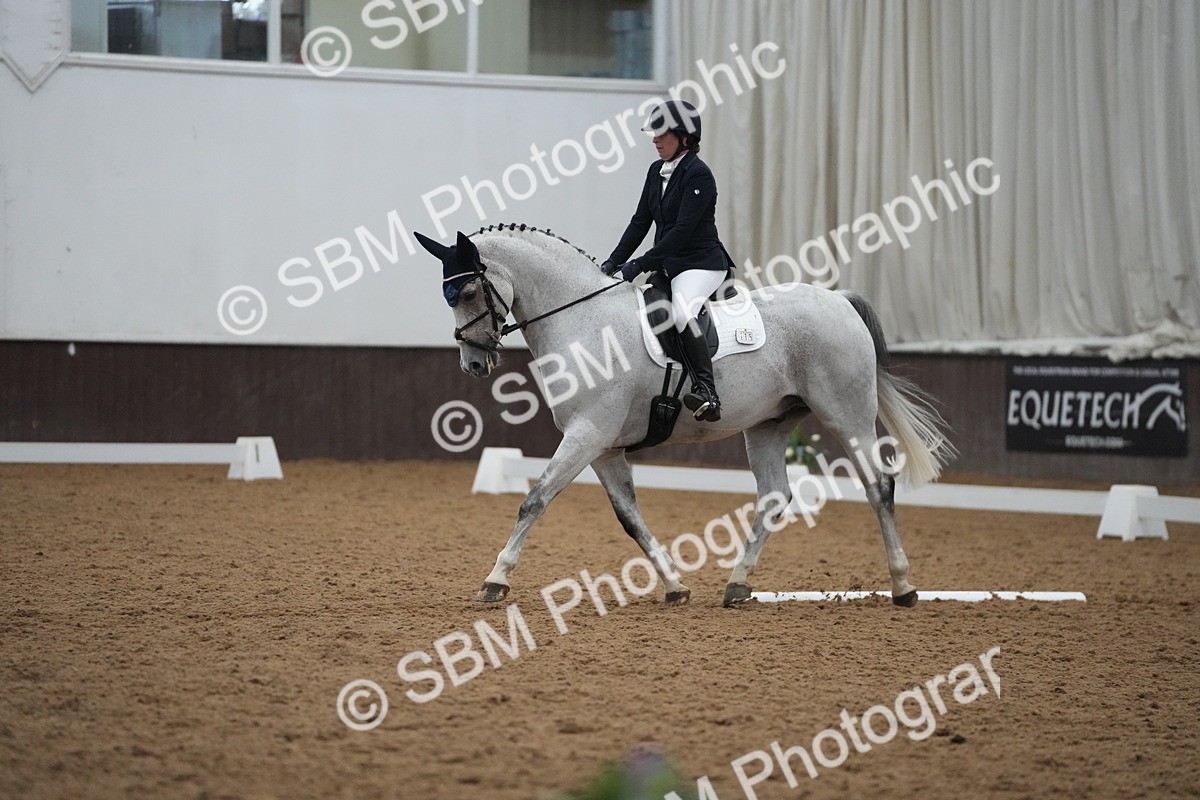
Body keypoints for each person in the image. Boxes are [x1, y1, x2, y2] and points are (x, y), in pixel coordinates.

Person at [601, 100, 733, 422]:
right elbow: (640, 222)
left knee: (682, 309)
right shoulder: (655, 171)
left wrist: (638, 265)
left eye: (662, 134)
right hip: (670, 264)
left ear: (685, 138)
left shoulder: (699, 175)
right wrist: (612, 263)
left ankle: (707, 391)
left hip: (701, 263)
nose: (655, 140)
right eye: (654, 134)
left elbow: (681, 232)